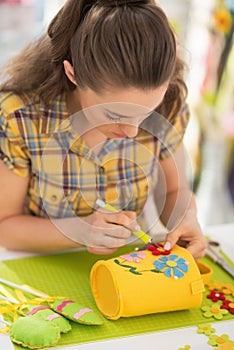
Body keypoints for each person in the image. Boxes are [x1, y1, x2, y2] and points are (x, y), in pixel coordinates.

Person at [0, 0, 207, 258]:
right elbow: (5, 226)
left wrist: (184, 217)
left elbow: (174, 190)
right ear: (73, 74)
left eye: (147, 113)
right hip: (38, 267)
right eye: (114, 114)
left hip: (128, 265)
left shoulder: (169, 104)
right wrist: (81, 230)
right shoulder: (21, 117)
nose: (132, 131)